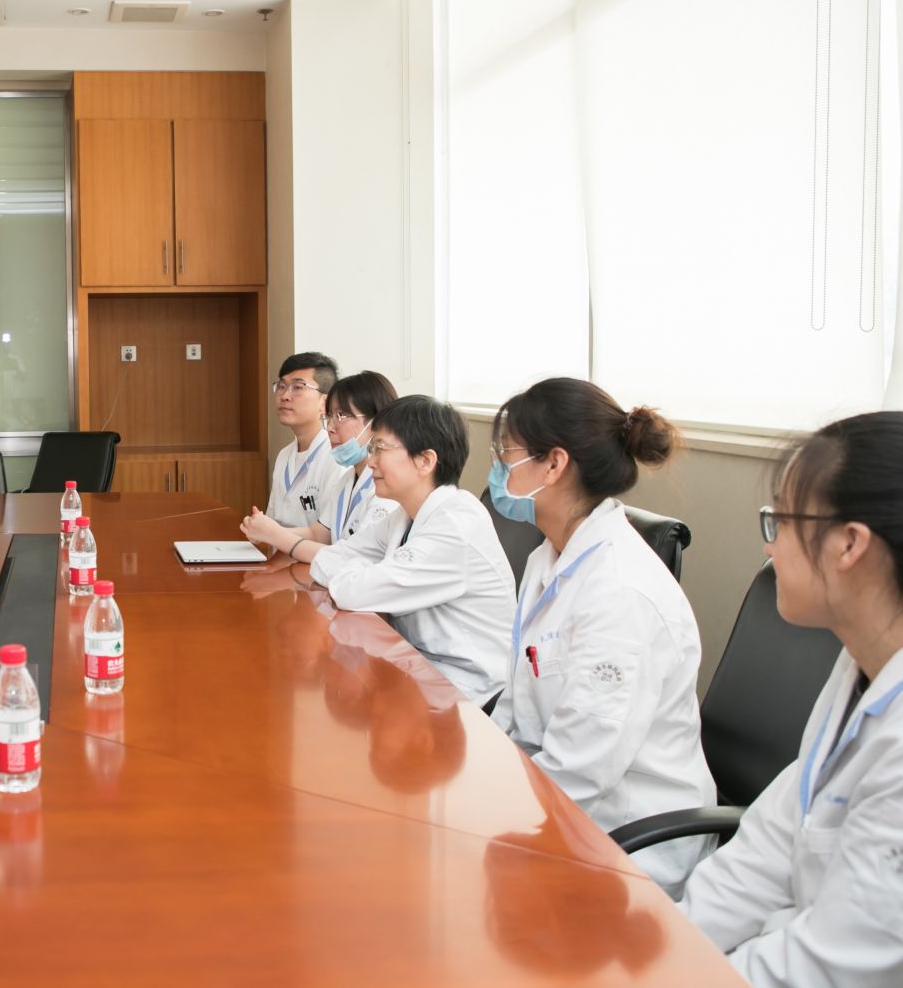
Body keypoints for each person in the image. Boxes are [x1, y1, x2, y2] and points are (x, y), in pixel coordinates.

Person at [680, 412, 903, 987]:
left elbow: (833, 964)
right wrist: (668, 948)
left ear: (850, 543)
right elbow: (770, 842)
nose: (769, 544)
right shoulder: (857, 666)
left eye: (781, 521)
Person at [486, 378, 714, 899]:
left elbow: (582, 769)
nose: (498, 467)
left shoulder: (619, 591)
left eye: (507, 453)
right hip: (558, 803)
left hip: (627, 842)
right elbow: (518, 706)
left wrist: (483, 810)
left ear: (554, 464)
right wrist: (480, 771)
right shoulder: (547, 559)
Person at [310, 395, 514, 705]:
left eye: (380, 448)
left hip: (468, 690)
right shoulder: (403, 516)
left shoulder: (455, 525)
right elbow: (325, 559)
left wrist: (362, 575)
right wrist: (363, 574)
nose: (371, 461)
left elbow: (353, 592)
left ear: (425, 461)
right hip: (419, 667)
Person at [242, 370, 402, 565]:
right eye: (329, 417)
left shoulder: (387, 488)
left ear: (376, 422)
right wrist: (267, 531)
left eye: (341, 416)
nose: (331, 427)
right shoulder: (348, 479)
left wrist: (277, 536)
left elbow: (353, 558)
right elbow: (319, 534)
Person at [263, 352, 349, 528]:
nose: (285, 396)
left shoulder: (337, 459)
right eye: (281, 386)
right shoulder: (284, 455)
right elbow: (271, 521)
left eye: (297, 387)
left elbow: (329, 534)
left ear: (325, 403)